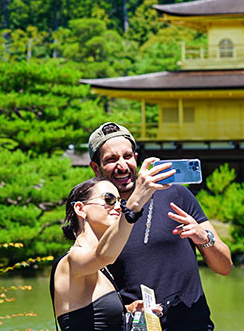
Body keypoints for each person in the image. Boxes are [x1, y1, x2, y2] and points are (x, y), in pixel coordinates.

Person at [88, 122, 232, 331]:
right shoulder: (98, 213)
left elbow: (225, 267)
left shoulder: (175, 194)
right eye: (111, 159)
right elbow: (89, 298)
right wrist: (127, 309)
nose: (122, 165)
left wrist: (205, 238)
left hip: (194, 325)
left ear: (136, 159)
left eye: (127, 156)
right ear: (95, 168)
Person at [50, 174, 169, 330]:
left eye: (121, 201)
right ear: (80, 209)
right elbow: (104, 255)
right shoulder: (73, 260)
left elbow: (91, 316)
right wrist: (134, 205)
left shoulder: (100, 266)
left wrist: (129, 309)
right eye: (109, 199)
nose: (119, 207)